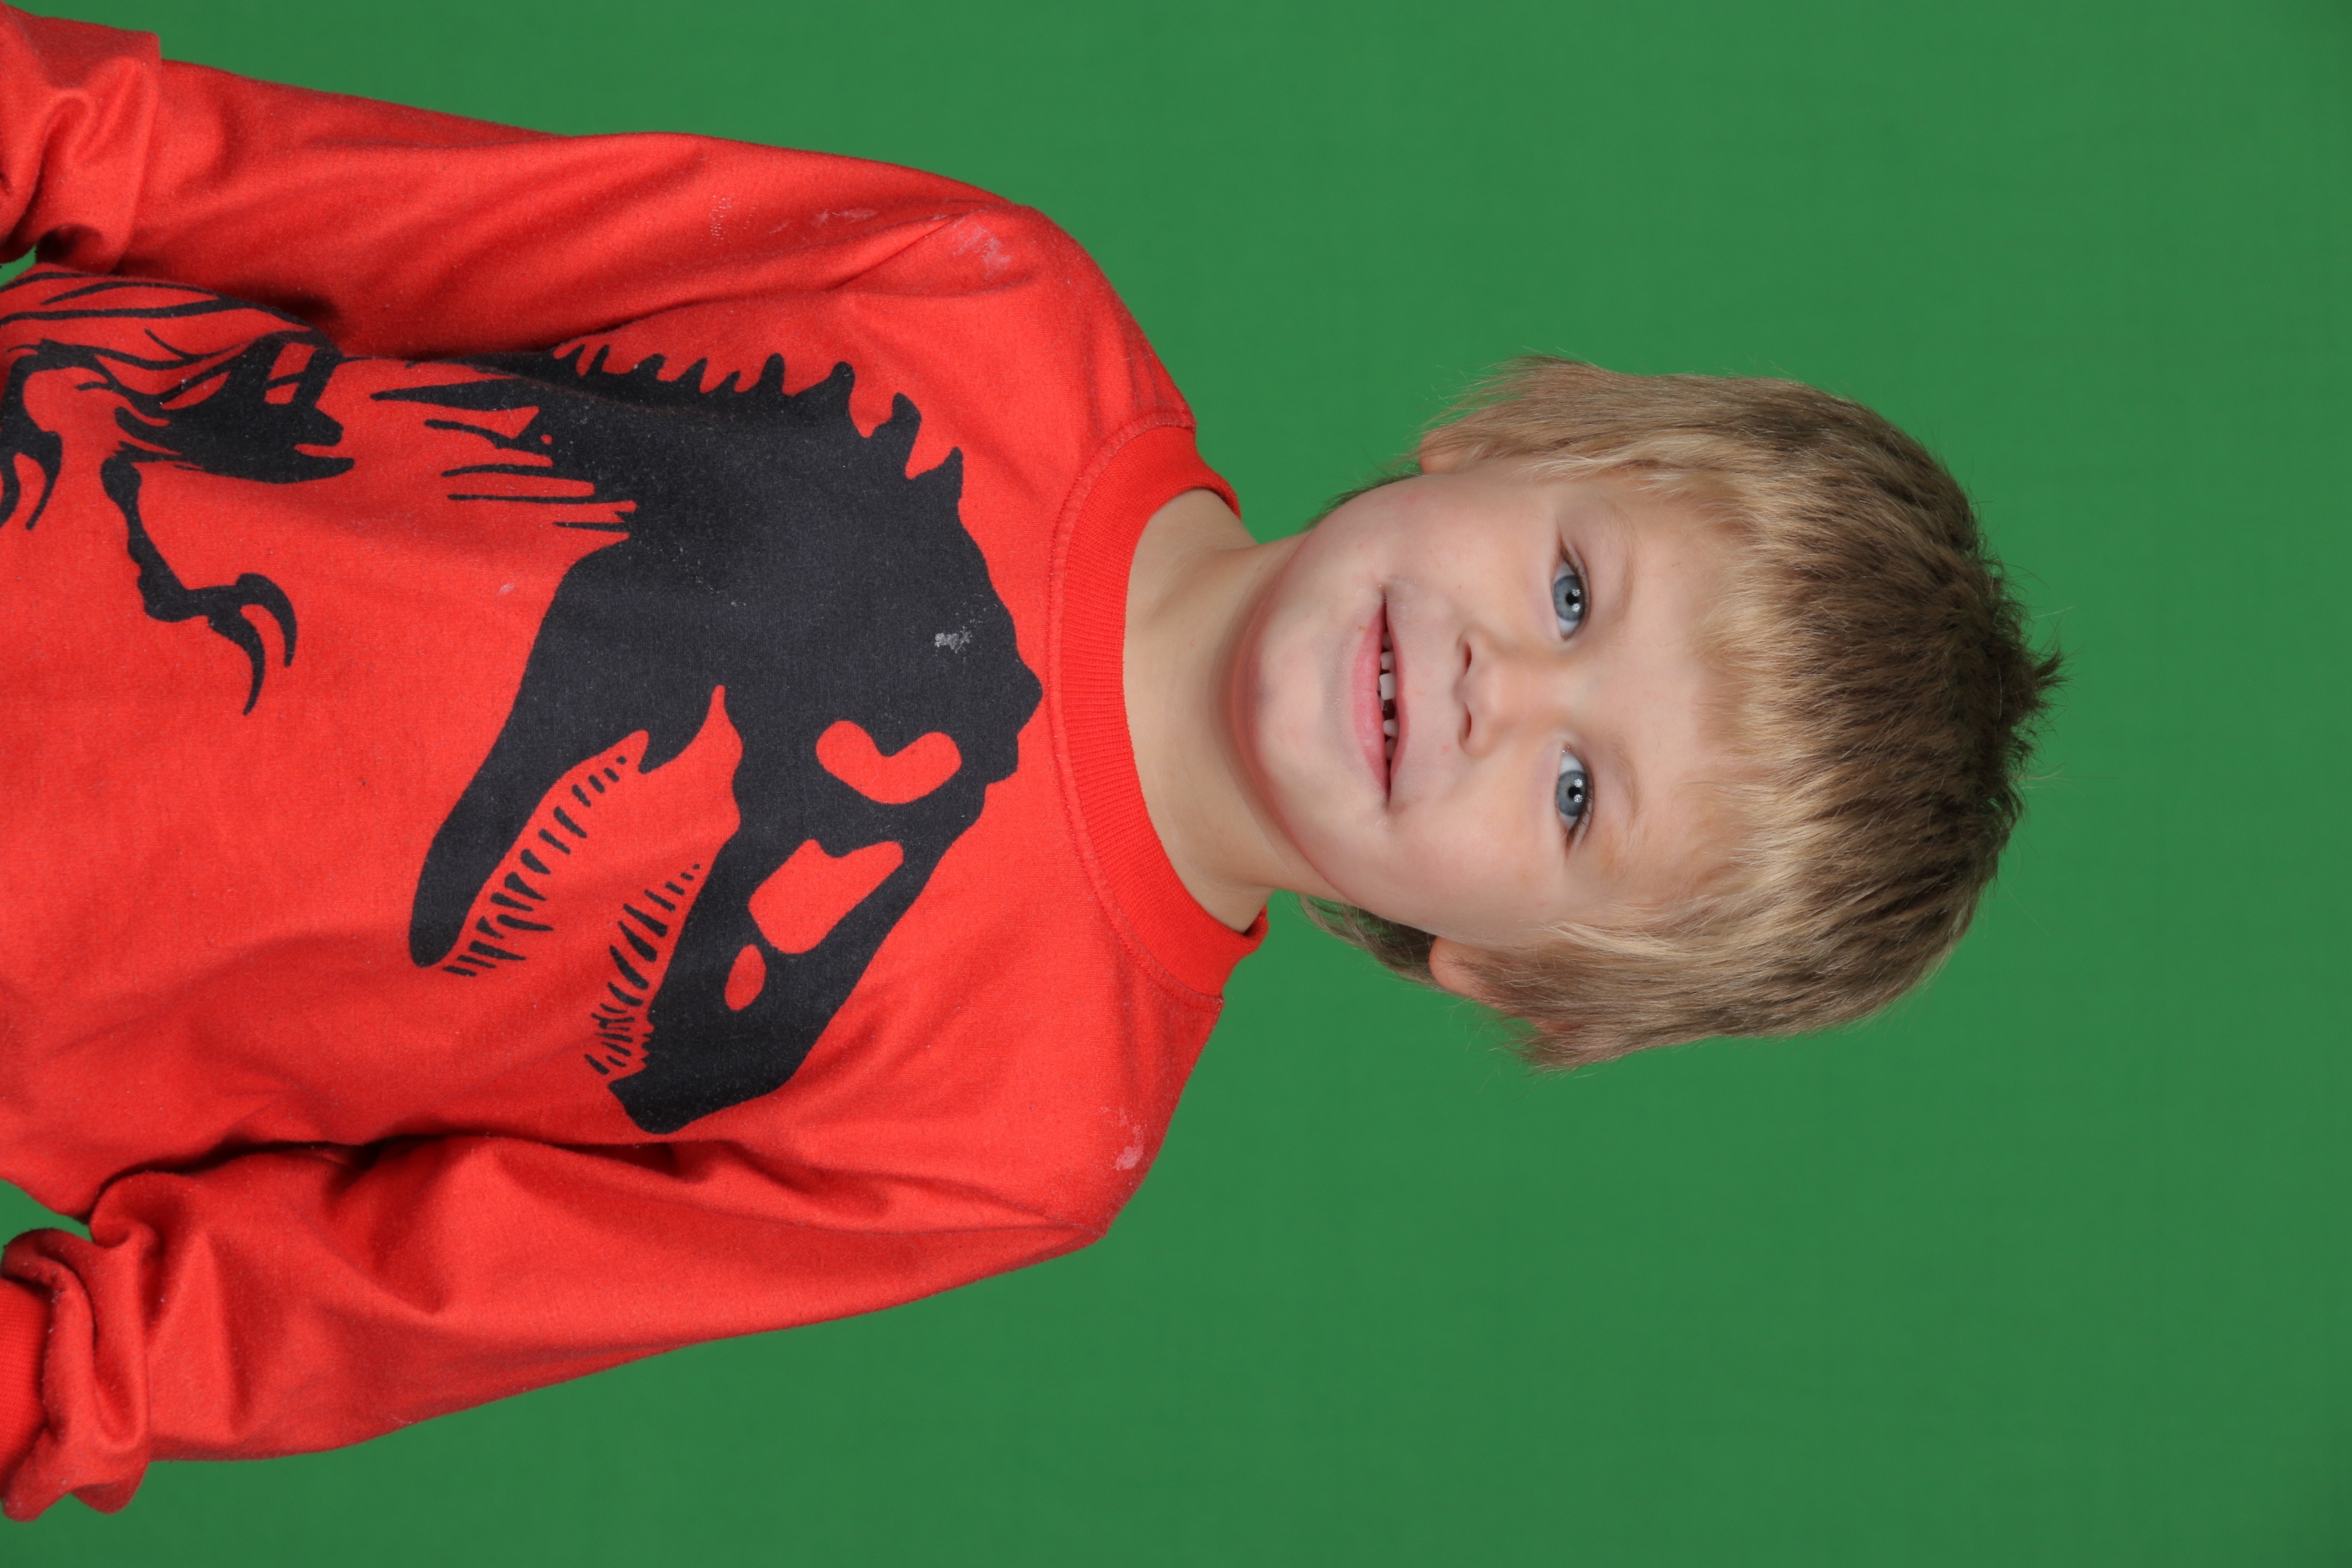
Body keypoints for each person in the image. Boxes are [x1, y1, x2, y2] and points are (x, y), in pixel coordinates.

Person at [0, 4, 2058, 1521]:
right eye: (1576, 589)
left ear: (1515, 974)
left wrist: (53, 1384)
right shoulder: (989, 303)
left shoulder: (1032, 1134)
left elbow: (400, 1292)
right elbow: (320, 199)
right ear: (1515, 444)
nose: (1496, 686)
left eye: (1579, 796)